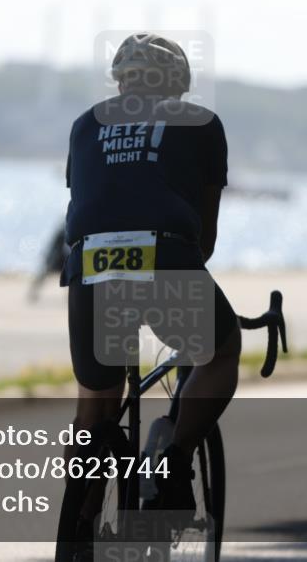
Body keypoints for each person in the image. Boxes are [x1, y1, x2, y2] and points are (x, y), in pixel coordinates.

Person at [61, 33, 241, 514]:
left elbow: (88, 205)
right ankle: (174, 464)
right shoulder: (202, 124)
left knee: (96, 404)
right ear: (178, 85)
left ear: (120, 82)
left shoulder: (85, 125)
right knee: (220, 351)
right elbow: (204, 237)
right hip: (167, 258)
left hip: (90, 265)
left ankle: (79, 518)